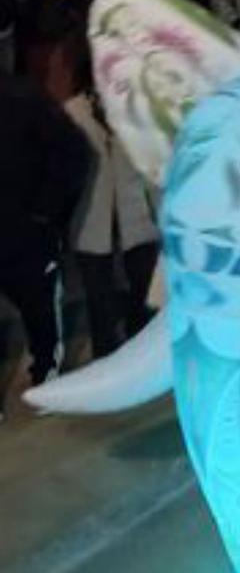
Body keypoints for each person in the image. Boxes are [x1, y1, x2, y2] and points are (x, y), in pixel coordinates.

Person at [0, 74, 90, 403]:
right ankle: (44, 379)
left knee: (39, 310)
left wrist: (44, 211)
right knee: (39, 308)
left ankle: (44, 382)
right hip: (27, 226)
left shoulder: (21, 97)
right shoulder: (22, 95)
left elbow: (74, 153)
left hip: (25, 231)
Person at [64, 51, 158, 359]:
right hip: (90, 219)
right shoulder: (72, 112)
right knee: (98, 296)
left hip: (140, 215)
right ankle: (106, 355)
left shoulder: (140, 107)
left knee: (144, 289)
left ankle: (141, 346)